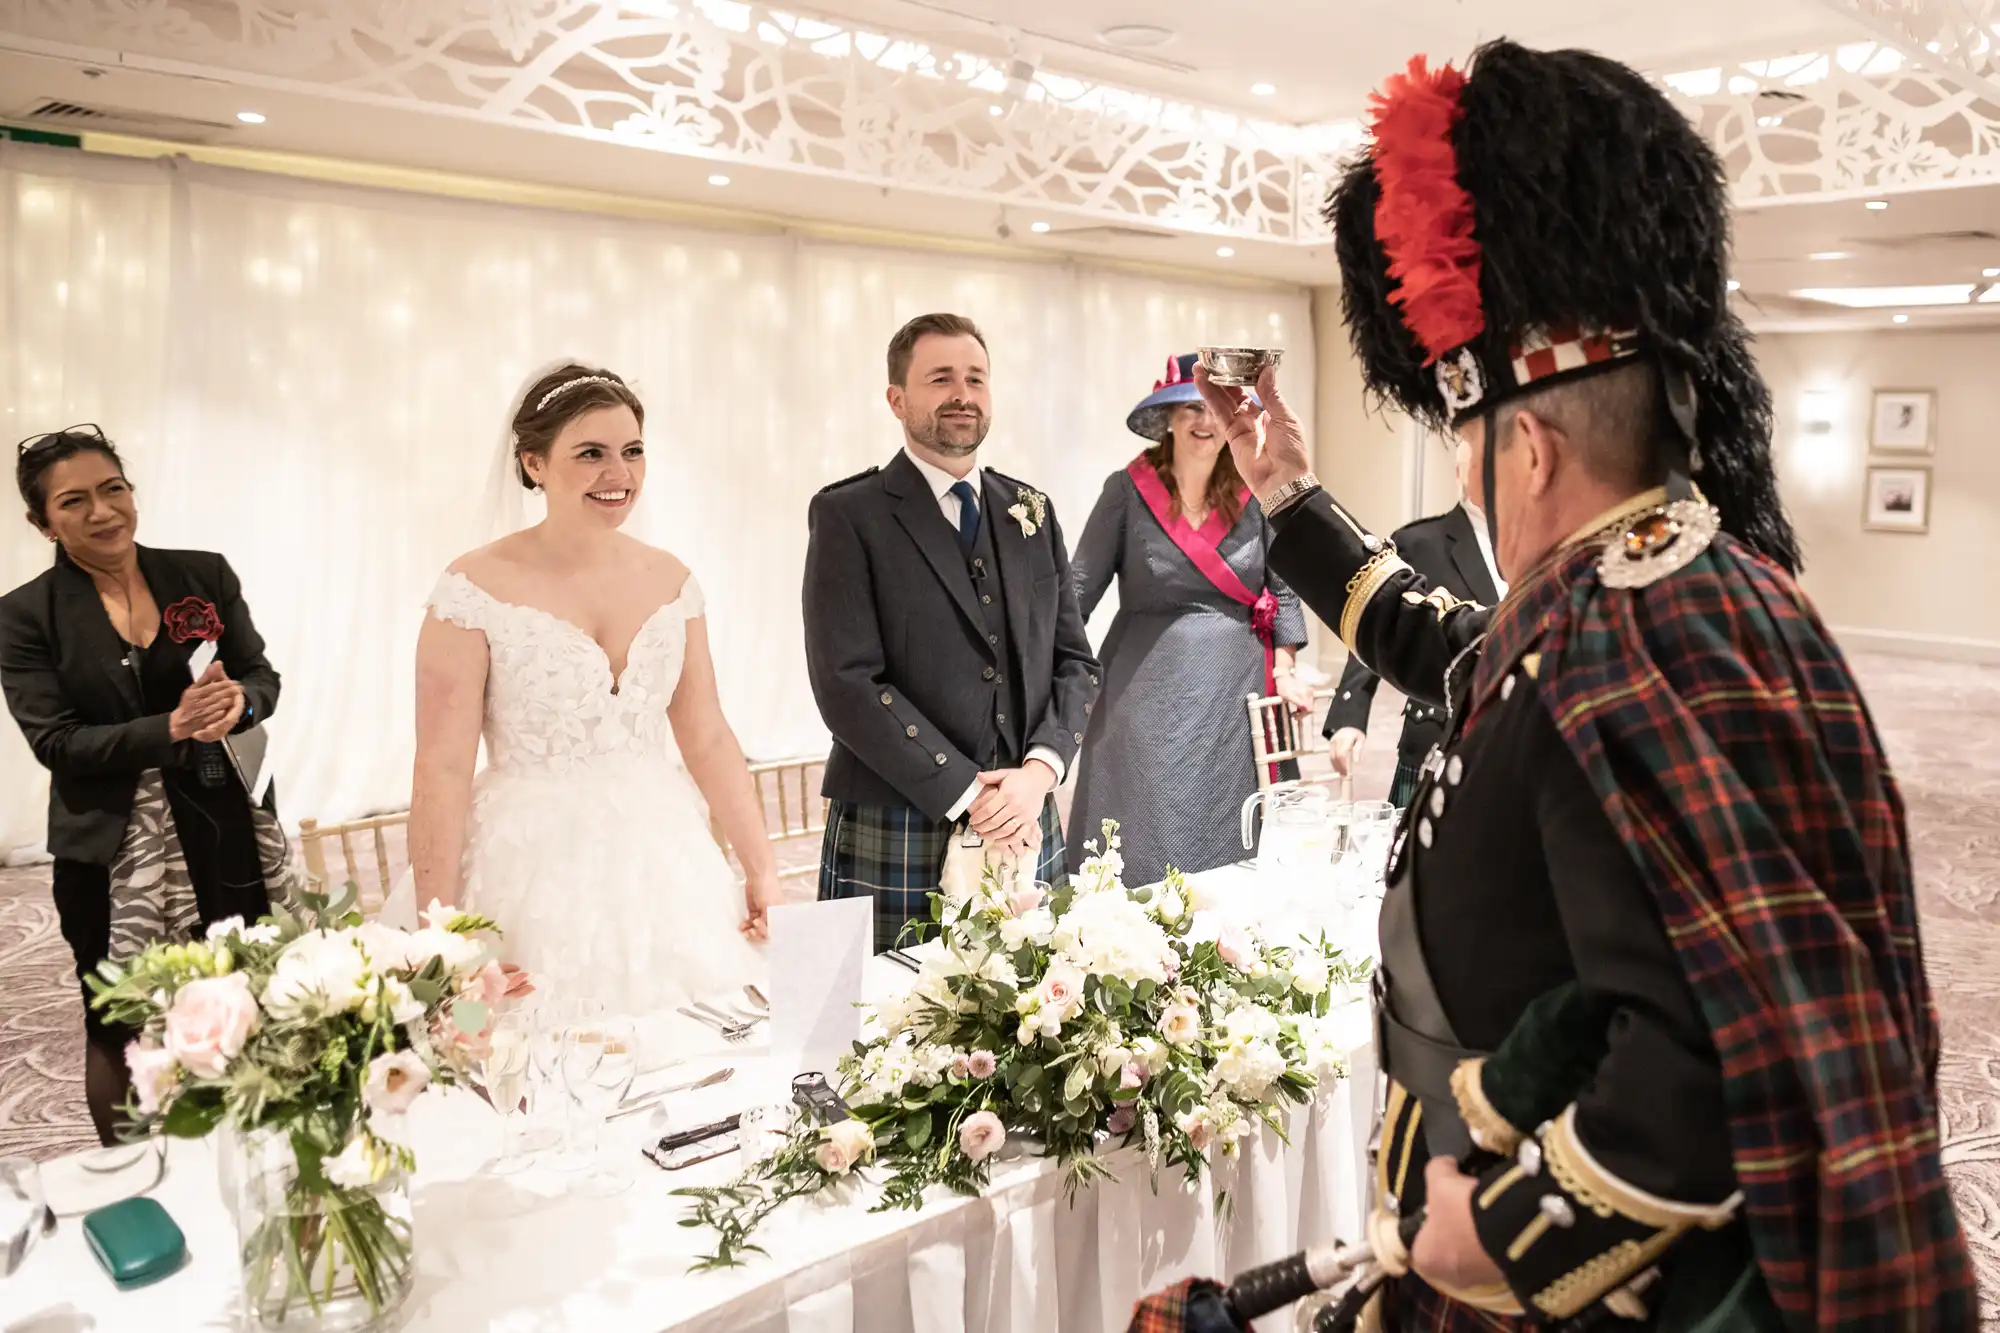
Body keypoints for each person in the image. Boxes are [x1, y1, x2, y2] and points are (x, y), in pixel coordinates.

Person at [1187, 40, 1971, 1332]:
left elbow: (1710, 1065)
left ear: (1531, 445)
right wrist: (1285, 492)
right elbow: (1464, 658)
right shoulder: (1643, 595)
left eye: (1466, 450)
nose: (1461, 484)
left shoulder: (1649, 631)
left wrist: (1492, 1236)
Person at [406, 363, 775, 1034]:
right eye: (591, 453)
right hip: (527, 867)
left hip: (664, 858)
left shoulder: (671, 580)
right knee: (536, 1056)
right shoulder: (471, 590)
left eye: (632, 450)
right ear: (532, 463)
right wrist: (441, 931)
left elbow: (708, 734)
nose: (620, 473)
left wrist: (761, 869)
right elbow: (442, 766)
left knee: (696, 1048)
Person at [2, 426, 300, 1144]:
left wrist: (242, 704)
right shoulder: (23, 615)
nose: (103, 511)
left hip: (223, 821)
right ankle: (130, 1178)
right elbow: (57, 742)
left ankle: (258, 1149)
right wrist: (166, 728)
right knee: (120, 1017)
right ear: (41, 521)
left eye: (114, 489)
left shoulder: (202, 574)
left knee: (248, 990)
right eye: (74, 501)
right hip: (108, 847)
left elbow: (261, 674)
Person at [805, 313, 1100, 953]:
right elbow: (846, 683)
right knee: (882, 1030)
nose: (962, 395)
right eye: (941, 379)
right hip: (899, 812)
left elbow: (1076, 662)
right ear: (897, 399)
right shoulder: (848, 514)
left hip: (1024, 811)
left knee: (1027, 1025)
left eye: (976, 379)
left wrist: (1040, 773)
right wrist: (968, 792)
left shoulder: (1032, 510)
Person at [1067, 353, 1310, 887]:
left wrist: (1288, 669)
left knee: (1234, 835)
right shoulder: (1126, 491)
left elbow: (1284, 586)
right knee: (1145, 833)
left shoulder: (1255, 489)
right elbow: (1078, 590)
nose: (1204, 421)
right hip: (1143, 698)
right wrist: (1045, 668)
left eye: (1214, 409)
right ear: (1167, 420)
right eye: (1190, 408)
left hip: (1239, 693)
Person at [1321, 440, 1500, 808]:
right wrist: (1350, 713)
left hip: (1510, 730)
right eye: (1475, 464)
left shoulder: (1533, 536)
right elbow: (1376, 618)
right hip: (1438, 735)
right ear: (1458, 474)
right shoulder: (1420, 541)